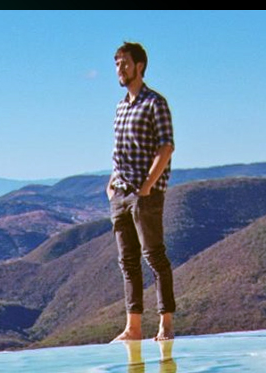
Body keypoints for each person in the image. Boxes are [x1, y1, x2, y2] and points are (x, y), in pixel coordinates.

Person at [106, 41, 176, 342]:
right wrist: (111, 182)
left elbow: (166, 146)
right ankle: (133, 327)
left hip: (144, 194)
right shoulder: (121, 107)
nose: (120, 69)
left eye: (125, 63)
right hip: (120, 195)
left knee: (154, 257)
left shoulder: (154, 103)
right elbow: (119, 151)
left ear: (140, 66)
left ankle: (166, 324)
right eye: (117, 63)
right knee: (128, 262)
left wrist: (147, 185)